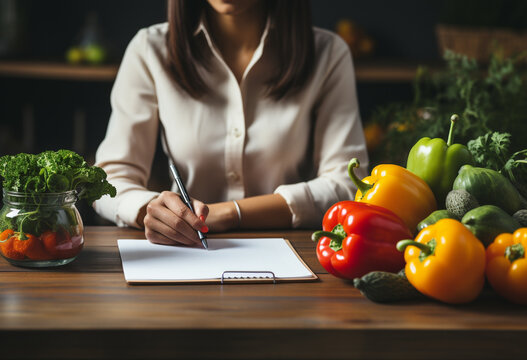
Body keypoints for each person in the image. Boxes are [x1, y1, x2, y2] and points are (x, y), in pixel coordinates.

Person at [94, 0, 369, 247]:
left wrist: (228, 213)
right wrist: (151, 211)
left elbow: (347, 184)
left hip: (296, 252)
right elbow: (108, 180)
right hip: (183, 251)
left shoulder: (328, 53)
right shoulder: (149, 49)